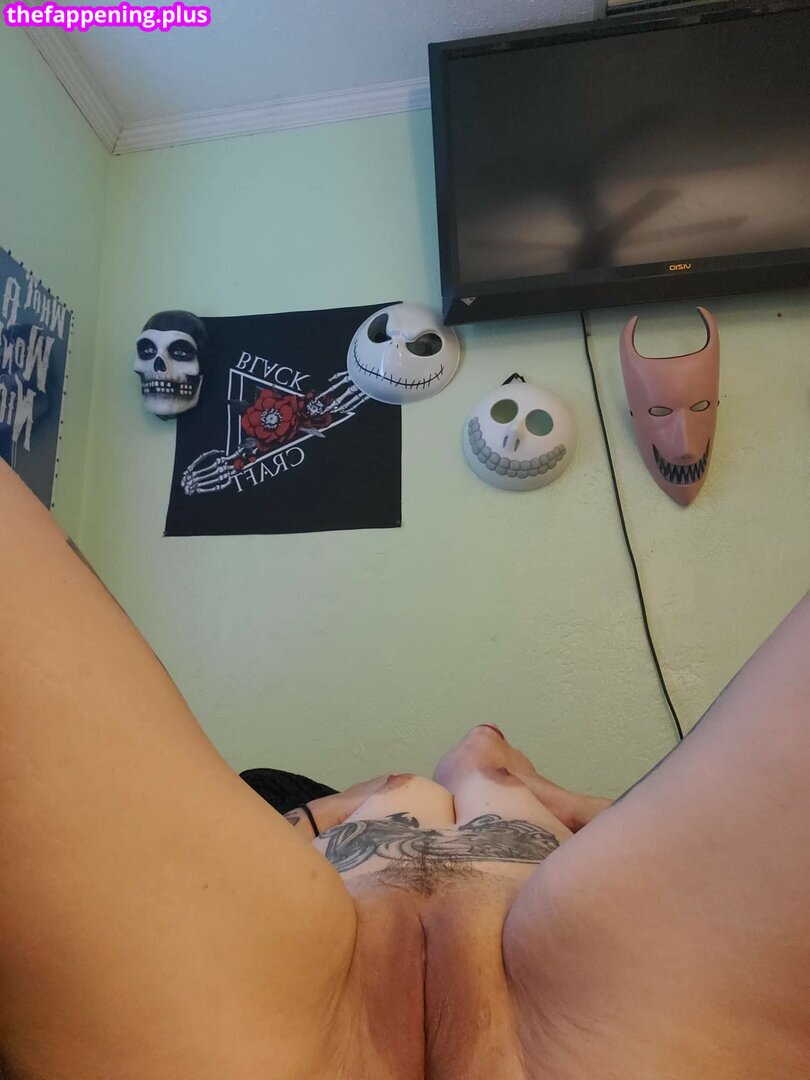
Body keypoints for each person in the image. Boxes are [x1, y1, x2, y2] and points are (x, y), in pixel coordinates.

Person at [0, 455, 808, 1080]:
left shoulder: (490, 796)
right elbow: (641, 832)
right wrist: (531, 789)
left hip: (275, 1000)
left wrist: (334, 808)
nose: (481, 739)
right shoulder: (539, 803)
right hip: (595, 999)